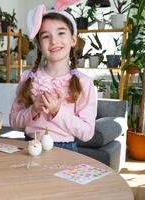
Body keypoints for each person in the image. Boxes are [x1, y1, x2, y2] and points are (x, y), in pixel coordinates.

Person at [9, 4, 97, 152]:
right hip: (30, 148)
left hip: (66, 151)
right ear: (39, 45)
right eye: (45, 36)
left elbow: (87, 133)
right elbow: (13, 121)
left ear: (73, 40)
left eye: (61, 33)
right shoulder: (27, 78)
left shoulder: (84, 83)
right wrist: (33, 110)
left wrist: (58, 111)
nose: (54, 41)